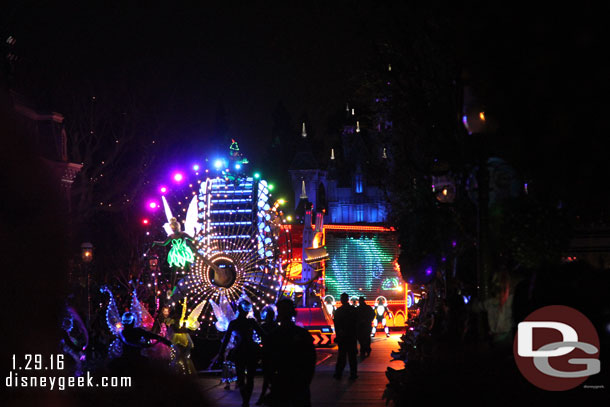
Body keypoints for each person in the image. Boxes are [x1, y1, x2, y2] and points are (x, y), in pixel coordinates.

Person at [267, 299, 316, 407]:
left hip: (282, 381)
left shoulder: (274, 335)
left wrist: (272, 381)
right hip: (298, 381)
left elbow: (268, 362)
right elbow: (311, 360)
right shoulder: (302, 334)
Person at [219, 298, 263, 407]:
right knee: (249, 377)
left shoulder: (235, 323)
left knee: (242, 377)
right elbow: (263, 334)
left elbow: (226, 339)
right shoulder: (250, 322)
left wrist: (221, 352)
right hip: (250, 350)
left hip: (240, 350)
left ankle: (245, 400)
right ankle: (246, 400)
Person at [256, 305, 278, 405]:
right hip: (272, 353)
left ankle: (265, 395)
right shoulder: (276, 326)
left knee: (267, 376)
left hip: (267, 353)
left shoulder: (264, 326)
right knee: (270, 375)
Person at [333, 293, 358, 380]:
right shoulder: (353, 310)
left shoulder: (339, 311)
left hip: (343, 337)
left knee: (342, 357)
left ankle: (338, 373)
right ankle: (353, 374)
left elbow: (336, 324)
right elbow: (356, 323)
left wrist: (338, 335)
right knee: (352, 357)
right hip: (351, 337)